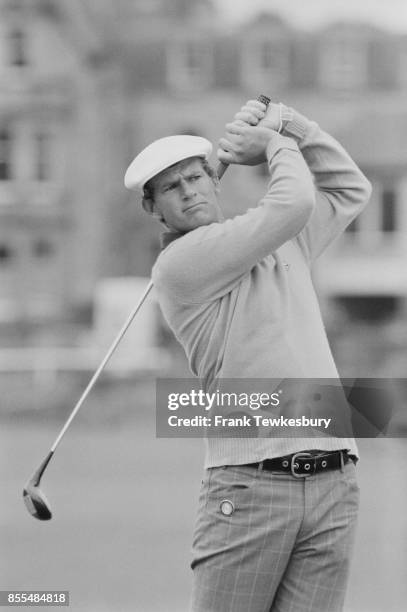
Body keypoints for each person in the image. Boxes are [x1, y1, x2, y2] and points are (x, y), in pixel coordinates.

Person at [124, 99, 372, 612]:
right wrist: (275, 144)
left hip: (333, 481)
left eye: (195, 177)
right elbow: (293, 203)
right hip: (252, 483)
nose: (189, 191)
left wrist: (292, 123)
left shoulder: (283, 242)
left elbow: (350, 188)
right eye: (172, 187)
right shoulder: (180, 265)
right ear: (153, 209)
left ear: (214, 178)